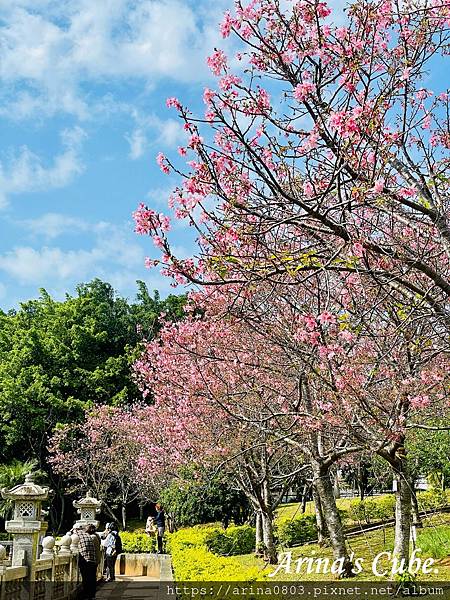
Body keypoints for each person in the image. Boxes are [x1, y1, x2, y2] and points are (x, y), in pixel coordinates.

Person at [74, 524, 97, 600]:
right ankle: (92, 595)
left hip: (85, 560)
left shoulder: (76, 535)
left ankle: (87, 595)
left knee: (86, 578)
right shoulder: (87, 535)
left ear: (76, 529)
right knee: (92, 578)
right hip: (93, 560)